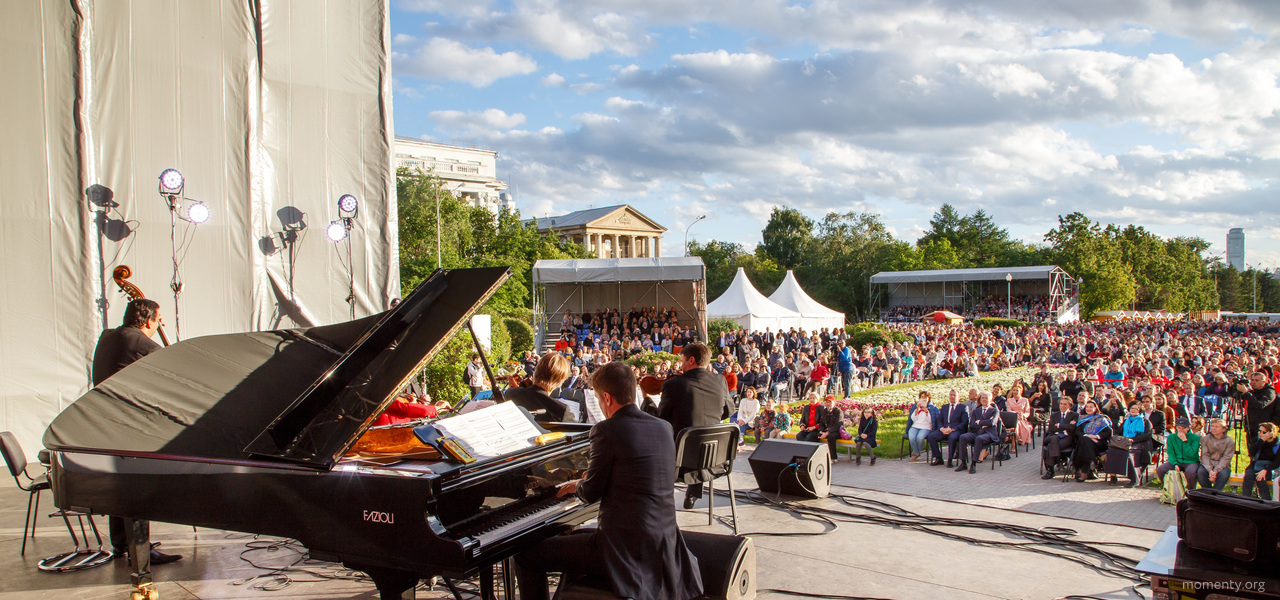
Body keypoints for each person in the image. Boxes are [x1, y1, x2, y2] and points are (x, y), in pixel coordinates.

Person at [513, 361, 703, 600]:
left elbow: (590, 493)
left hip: (622, 550)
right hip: (664, 543)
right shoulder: (664, 427)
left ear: (607, 398)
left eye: (598, 399)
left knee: (526, 554)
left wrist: (578, 484)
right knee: (570, 540)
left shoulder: (606, 430)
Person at [91, 298, 182, 565]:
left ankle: (122, 544)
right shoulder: (137, 340)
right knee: (136, 485)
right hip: (128, 423)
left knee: (121, 485)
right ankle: (140, 548)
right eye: (158, 320)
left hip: (106, 421)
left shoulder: (109, 336)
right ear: (147, 320)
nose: (159, 324)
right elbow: (176, 362)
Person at [659, 343, 736, 509]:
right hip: (717, 459)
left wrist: (647, 403)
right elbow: (729, 410)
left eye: (682, 360)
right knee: (702, 434)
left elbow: (660, 420)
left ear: (691, 360)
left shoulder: (673, 385)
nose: (681, 363)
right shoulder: (720, 380)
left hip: (681, 464)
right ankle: (692, 493)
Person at [505, 352, 575, 423]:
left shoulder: (511, 393)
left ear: (535, 372)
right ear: (560, 381)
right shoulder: (562, 411)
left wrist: (515, 390)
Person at [1105, 401, 1151, 488]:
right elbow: (1119, 431)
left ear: (1140, 410)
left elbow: (1147, 435)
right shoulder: (1126, 420)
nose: (1133, 410)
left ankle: (1134, 479)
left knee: (1127, 453)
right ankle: (1113, 477)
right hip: (1124, 442)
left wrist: (1133, 440)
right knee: (1111, 451)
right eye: (1132, 408)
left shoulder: (1145, 421)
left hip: (1138, 443)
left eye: (1136, 409)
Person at [955, 392, 999, 474]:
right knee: (963, 437)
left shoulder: (994, 411)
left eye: (986, 398)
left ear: (990, 400)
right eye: (982, 398)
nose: (984, 399)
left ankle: (973, 464)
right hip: (977, 432)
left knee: (979, 439)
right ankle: (963, 462)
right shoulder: (976, 411)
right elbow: (972, 424)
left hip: (989, 434)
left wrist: (979, 422)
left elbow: (992, 422)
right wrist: (984, 423)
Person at [1236, 370, 1277, 455]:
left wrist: (1246, 393)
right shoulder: (1254, 391)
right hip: (1251, 425)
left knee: (1262, 452)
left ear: (1264, 381)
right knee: (1252, 450)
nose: (1254, 382)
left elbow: (1260, 405)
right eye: (1252, 380)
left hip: (1264, 427)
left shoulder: (1269, 392)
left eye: (1257, 380)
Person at [1072, 399, 1112, 482]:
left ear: (1095, 408)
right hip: (1085, 443)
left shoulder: (1101, 419)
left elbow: (1108, 432)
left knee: (1084, 442)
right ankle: (1089, 466)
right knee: (1085, 440)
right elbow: (1077, 432)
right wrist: (1088, 436)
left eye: (1091, 407)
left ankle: (1083, 471)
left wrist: (1096, 436)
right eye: (1087, 407)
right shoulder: (1082, 419)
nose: (1089, 409)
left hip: (1099, 443)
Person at [1156, 417, 1201, 490]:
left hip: (1191, 461)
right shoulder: (1171, 437)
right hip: (1177, 461)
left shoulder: (1195, 437)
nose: (1181, 430)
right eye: (1179, 428)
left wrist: (1184, 441)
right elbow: (1171, 453)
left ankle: (1191, 491)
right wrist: (1175, 463)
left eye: (1183, 428)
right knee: (1160, 469)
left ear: (1188, 428)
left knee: (1190, 472)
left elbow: (1191, 454)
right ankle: (1169, 489)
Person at [1041, 395, 1079, 479]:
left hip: (1066, 438)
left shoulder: (1074, 415)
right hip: (1053, 436)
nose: (1062, 406)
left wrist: (1059, 425)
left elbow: (1072, 428)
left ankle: (1050, 470)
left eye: (1065, 404)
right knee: (1053, 439)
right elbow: (1051, 428)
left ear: (1070, 406)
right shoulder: (1055, 414)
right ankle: (1059, 461)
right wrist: (1066, 425)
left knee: (1052, 444)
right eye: (1061, 404)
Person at [927, 389, 968, 467]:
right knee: (931, 436)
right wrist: (942, 428)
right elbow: (939, 420)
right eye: (950, 395)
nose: (952, 397)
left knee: (952, 438)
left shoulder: (963, 407)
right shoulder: (945, 407)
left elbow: (964, 422)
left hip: (955, 430)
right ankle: (938, 458)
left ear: (958, 397)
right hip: (944, 429)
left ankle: (950, 460)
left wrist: (952, 429)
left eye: (954, 395)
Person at [1241, 422, 1278, 501]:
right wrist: (1261, 440)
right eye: (1259, 431)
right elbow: (1251, 452)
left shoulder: (1277, 445)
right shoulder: (1257, 440)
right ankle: (1245, 500)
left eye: (1263, 432)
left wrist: (1265, 470)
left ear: (1271, 433)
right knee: (1248, 476)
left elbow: (1277, 462)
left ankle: (1266, 502)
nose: (1260, 433)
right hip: (1256, 465)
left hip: (1269, 467)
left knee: (1260, 479)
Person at [1197, 418, 1235, 492]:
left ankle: (1215, 493)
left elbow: (1226, 458)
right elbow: (1204, 455)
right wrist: (1210, 470)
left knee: (1223, 475)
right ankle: (1208, 492)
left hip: (1222, 465)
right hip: (1208, 463)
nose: (1214, 429)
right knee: (1200, 473)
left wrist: (1216, 471)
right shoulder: (1205, 439)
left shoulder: (1229, 441)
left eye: (1216, 427)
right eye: (1212, 426)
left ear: (1223, 429)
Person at [905, 391, 937, 461]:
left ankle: (917, 452)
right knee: (911, 437)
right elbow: (913, 418)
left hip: (926, 427)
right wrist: (917, 409)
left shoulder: (932, 408)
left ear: (929, 398)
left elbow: (930, 421)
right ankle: (917, 452)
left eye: (925, 397)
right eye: (922, 397)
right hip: (915, 425)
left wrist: (926, 412)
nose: (923, 399)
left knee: (920, 437)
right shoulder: (916, 406)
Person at [816, 395, 845, 462]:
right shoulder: (824, 411)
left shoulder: (838, 411)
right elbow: (821, 423)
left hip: (837, 431)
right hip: (826, 431)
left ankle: (833, 457)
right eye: (827, 402)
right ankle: (819, 455)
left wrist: (827, 432)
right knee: (815, 435)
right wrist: (821, 431)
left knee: (831, 437)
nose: (828, 404)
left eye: (830, 402)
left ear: (834, 403)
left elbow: (837, 425)